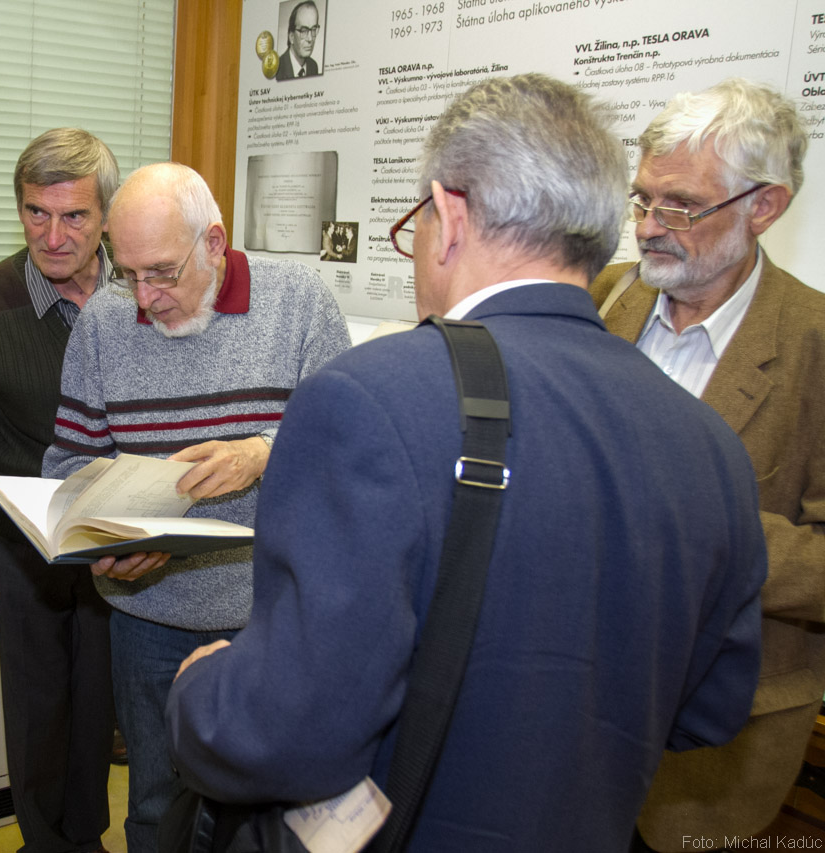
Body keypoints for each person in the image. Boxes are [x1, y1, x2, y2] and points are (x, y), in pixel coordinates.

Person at [165, 73, 767, 852]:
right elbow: (710, 710)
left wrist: (201, 689)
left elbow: (288, 731)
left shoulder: (368, 398)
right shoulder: (711, 444)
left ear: (447, 217)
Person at [41, 161, 351, 852]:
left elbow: (347, 447)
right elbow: (67, 465)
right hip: (148, 618)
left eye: (161, 272)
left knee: (272, 813)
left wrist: (263, 452)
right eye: (127, 273)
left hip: (275, 620)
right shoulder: (103, 321)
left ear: (214, 242)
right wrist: (106, 542)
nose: (145, 298)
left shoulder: (299, 302)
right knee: (156, 807)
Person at [587, 79, 825, 852]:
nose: (648, 227)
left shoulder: (815, 345)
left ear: (766, 206)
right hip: (577, 718)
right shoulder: (609, 298)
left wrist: (700, 528)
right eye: (642, 199)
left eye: (682, 206)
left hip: (715, 748)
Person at [0, 127, 119, 853]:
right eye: (35, 213)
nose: (53, 237)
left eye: (74, 215)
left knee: (103, 706)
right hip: (23, 548)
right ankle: (44, 843)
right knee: (36, 709)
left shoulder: (143, 288)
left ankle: (87, 838)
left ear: (107, 214)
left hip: (120, 538)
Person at [275, 1, 321, 81]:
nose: (310, 39)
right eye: (304, 31)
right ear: (291, 37)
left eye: (313, 29)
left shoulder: (313, 66)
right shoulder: (277, 69)